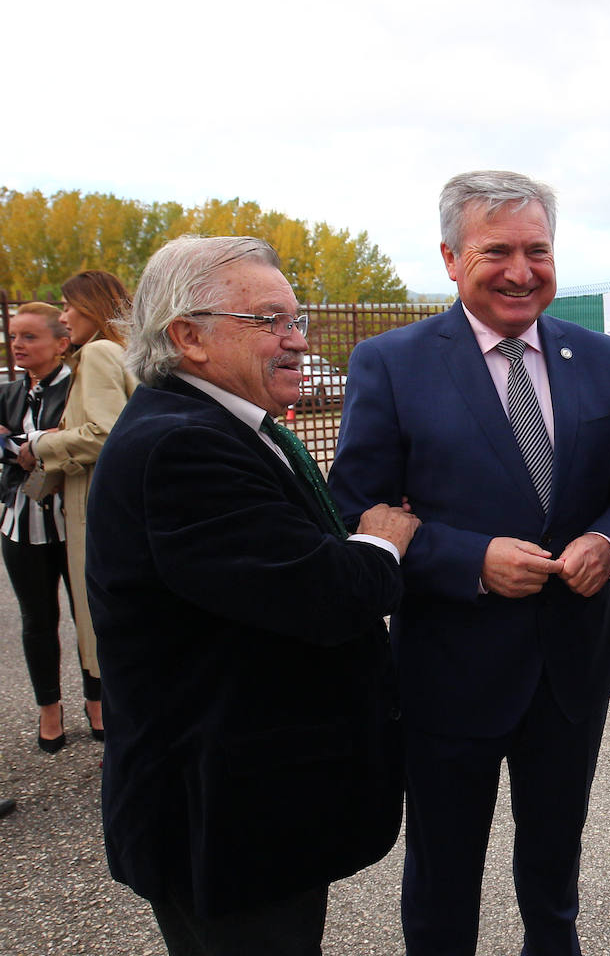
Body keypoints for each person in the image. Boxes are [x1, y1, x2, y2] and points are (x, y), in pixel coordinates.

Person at [329, 170, 610, 956]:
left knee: (554, 864)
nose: (520, 270)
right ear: (449, 257)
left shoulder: (599, 357)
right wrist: (470, 560)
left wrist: (608, 545)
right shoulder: (392, 363)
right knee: (443, 874)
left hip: (570, 670)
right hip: (448, 671)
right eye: (496, 251)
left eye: (537, 250)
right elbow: (352, 510)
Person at [85, 235, 419, 954]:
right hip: (224, 825)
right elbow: (329, 596)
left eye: (295, 320)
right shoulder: (183, 448)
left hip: (248, 816)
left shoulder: (220, 425)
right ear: (188, 338)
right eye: (270, 321)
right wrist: (383, 539)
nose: (296, 340)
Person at [28, 271, 138, 742]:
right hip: (120, 507)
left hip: (95, 506)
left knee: (103, 633)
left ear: (92, 307)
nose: (64, 316)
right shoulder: (125, 352)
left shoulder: (96, 353)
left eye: (69, 306)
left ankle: (125, 745)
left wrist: (40, 445)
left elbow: (106, 433)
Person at [0, 302, 74, 752]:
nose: (18, 345)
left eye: (29, 337)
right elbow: (9, 448)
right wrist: (24, 445)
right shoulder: (8, 392)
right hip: (20, 522)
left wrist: (26, 442)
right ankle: (50, 709)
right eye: (13, 337)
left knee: (89, 614)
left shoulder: (79, 387)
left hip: (73, 520)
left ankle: (96, 702)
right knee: (37, 619)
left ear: (61, 344)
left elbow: (89, 434)